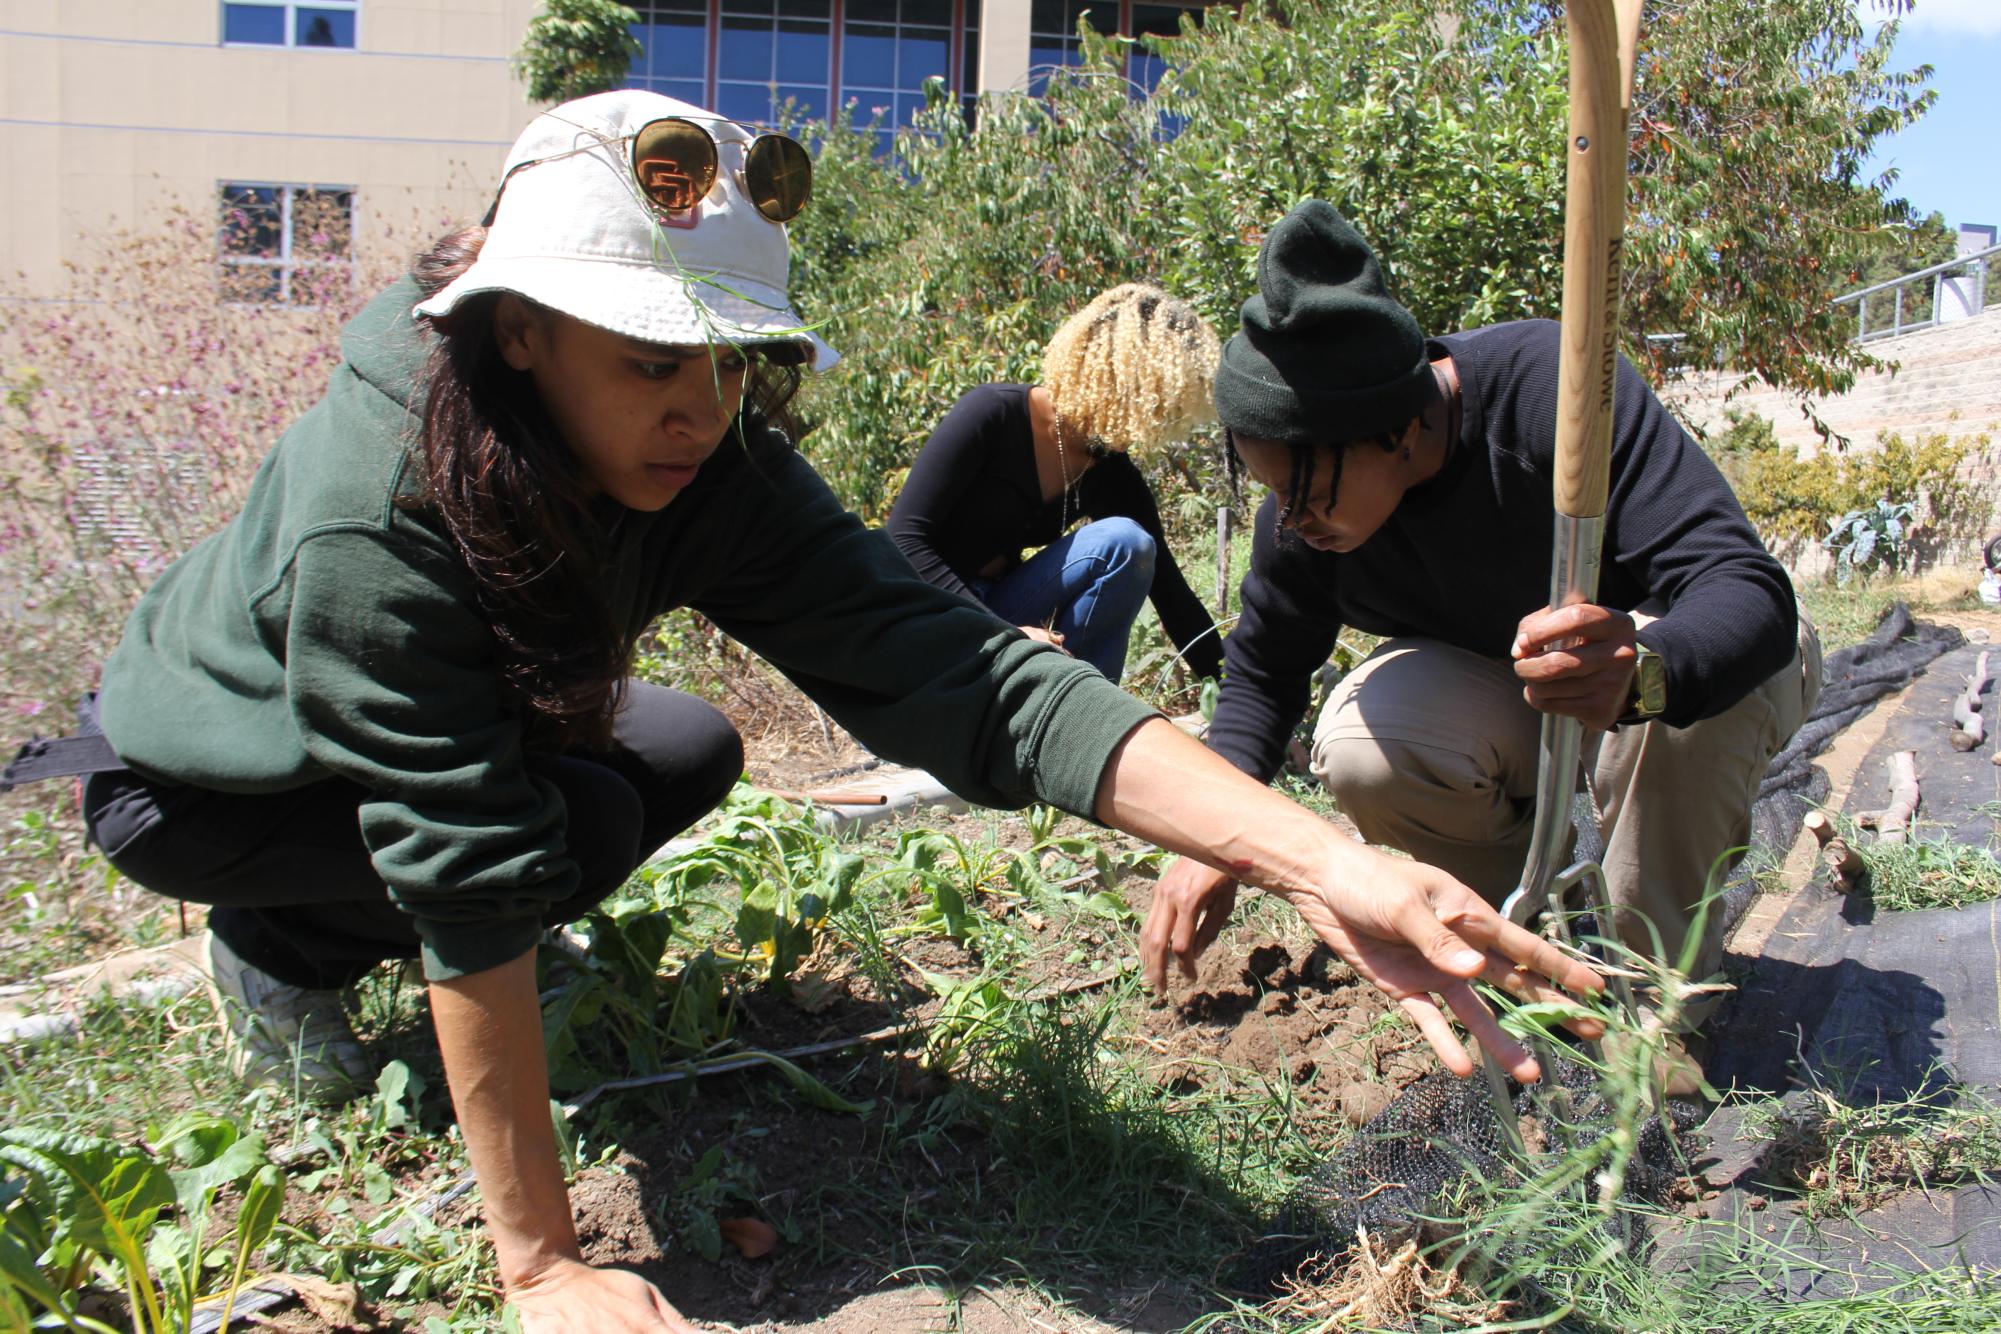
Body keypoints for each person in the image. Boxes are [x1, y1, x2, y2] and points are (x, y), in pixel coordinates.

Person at [78, 104, 1599, 1333]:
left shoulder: (695, 456)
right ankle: (279, 951)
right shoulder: (387, 507)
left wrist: (1323, 860)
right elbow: (460, 847)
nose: (697, 409)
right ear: (520, 332)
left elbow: (969, 674)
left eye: (730, 361)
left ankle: (405, 939)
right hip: (210, 783)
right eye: (651, 360)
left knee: (669, 764)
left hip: (436, 761)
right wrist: (538, 1265)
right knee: (500, 864)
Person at [1141, 201, 1821, 1082]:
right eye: (1272, 490)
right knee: (1363, 741)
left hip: (1690, 680)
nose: (1292, 518)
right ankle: (1520, 951)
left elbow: (1748, 595)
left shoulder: (1553, 391)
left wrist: (1641, 672)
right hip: (1522, 696)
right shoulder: (1302, 529)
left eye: (1306, 488)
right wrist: (1213, 836)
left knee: (1669, 694)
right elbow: (1263, 680)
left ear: (1399, 426)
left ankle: (1655, 994)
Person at [886, 284, 1225, 684]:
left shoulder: (1109, 469)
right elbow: (904, 540)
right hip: (935, 617)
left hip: (1003, 610)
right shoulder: (993, 414)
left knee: (1129, 545)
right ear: (1122, 382)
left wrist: (1236, 698)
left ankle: (1086, 716)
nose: (1162, 420)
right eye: (1158, 403)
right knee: (1122, 539)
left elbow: (1172, 594)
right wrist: (1002, 634)